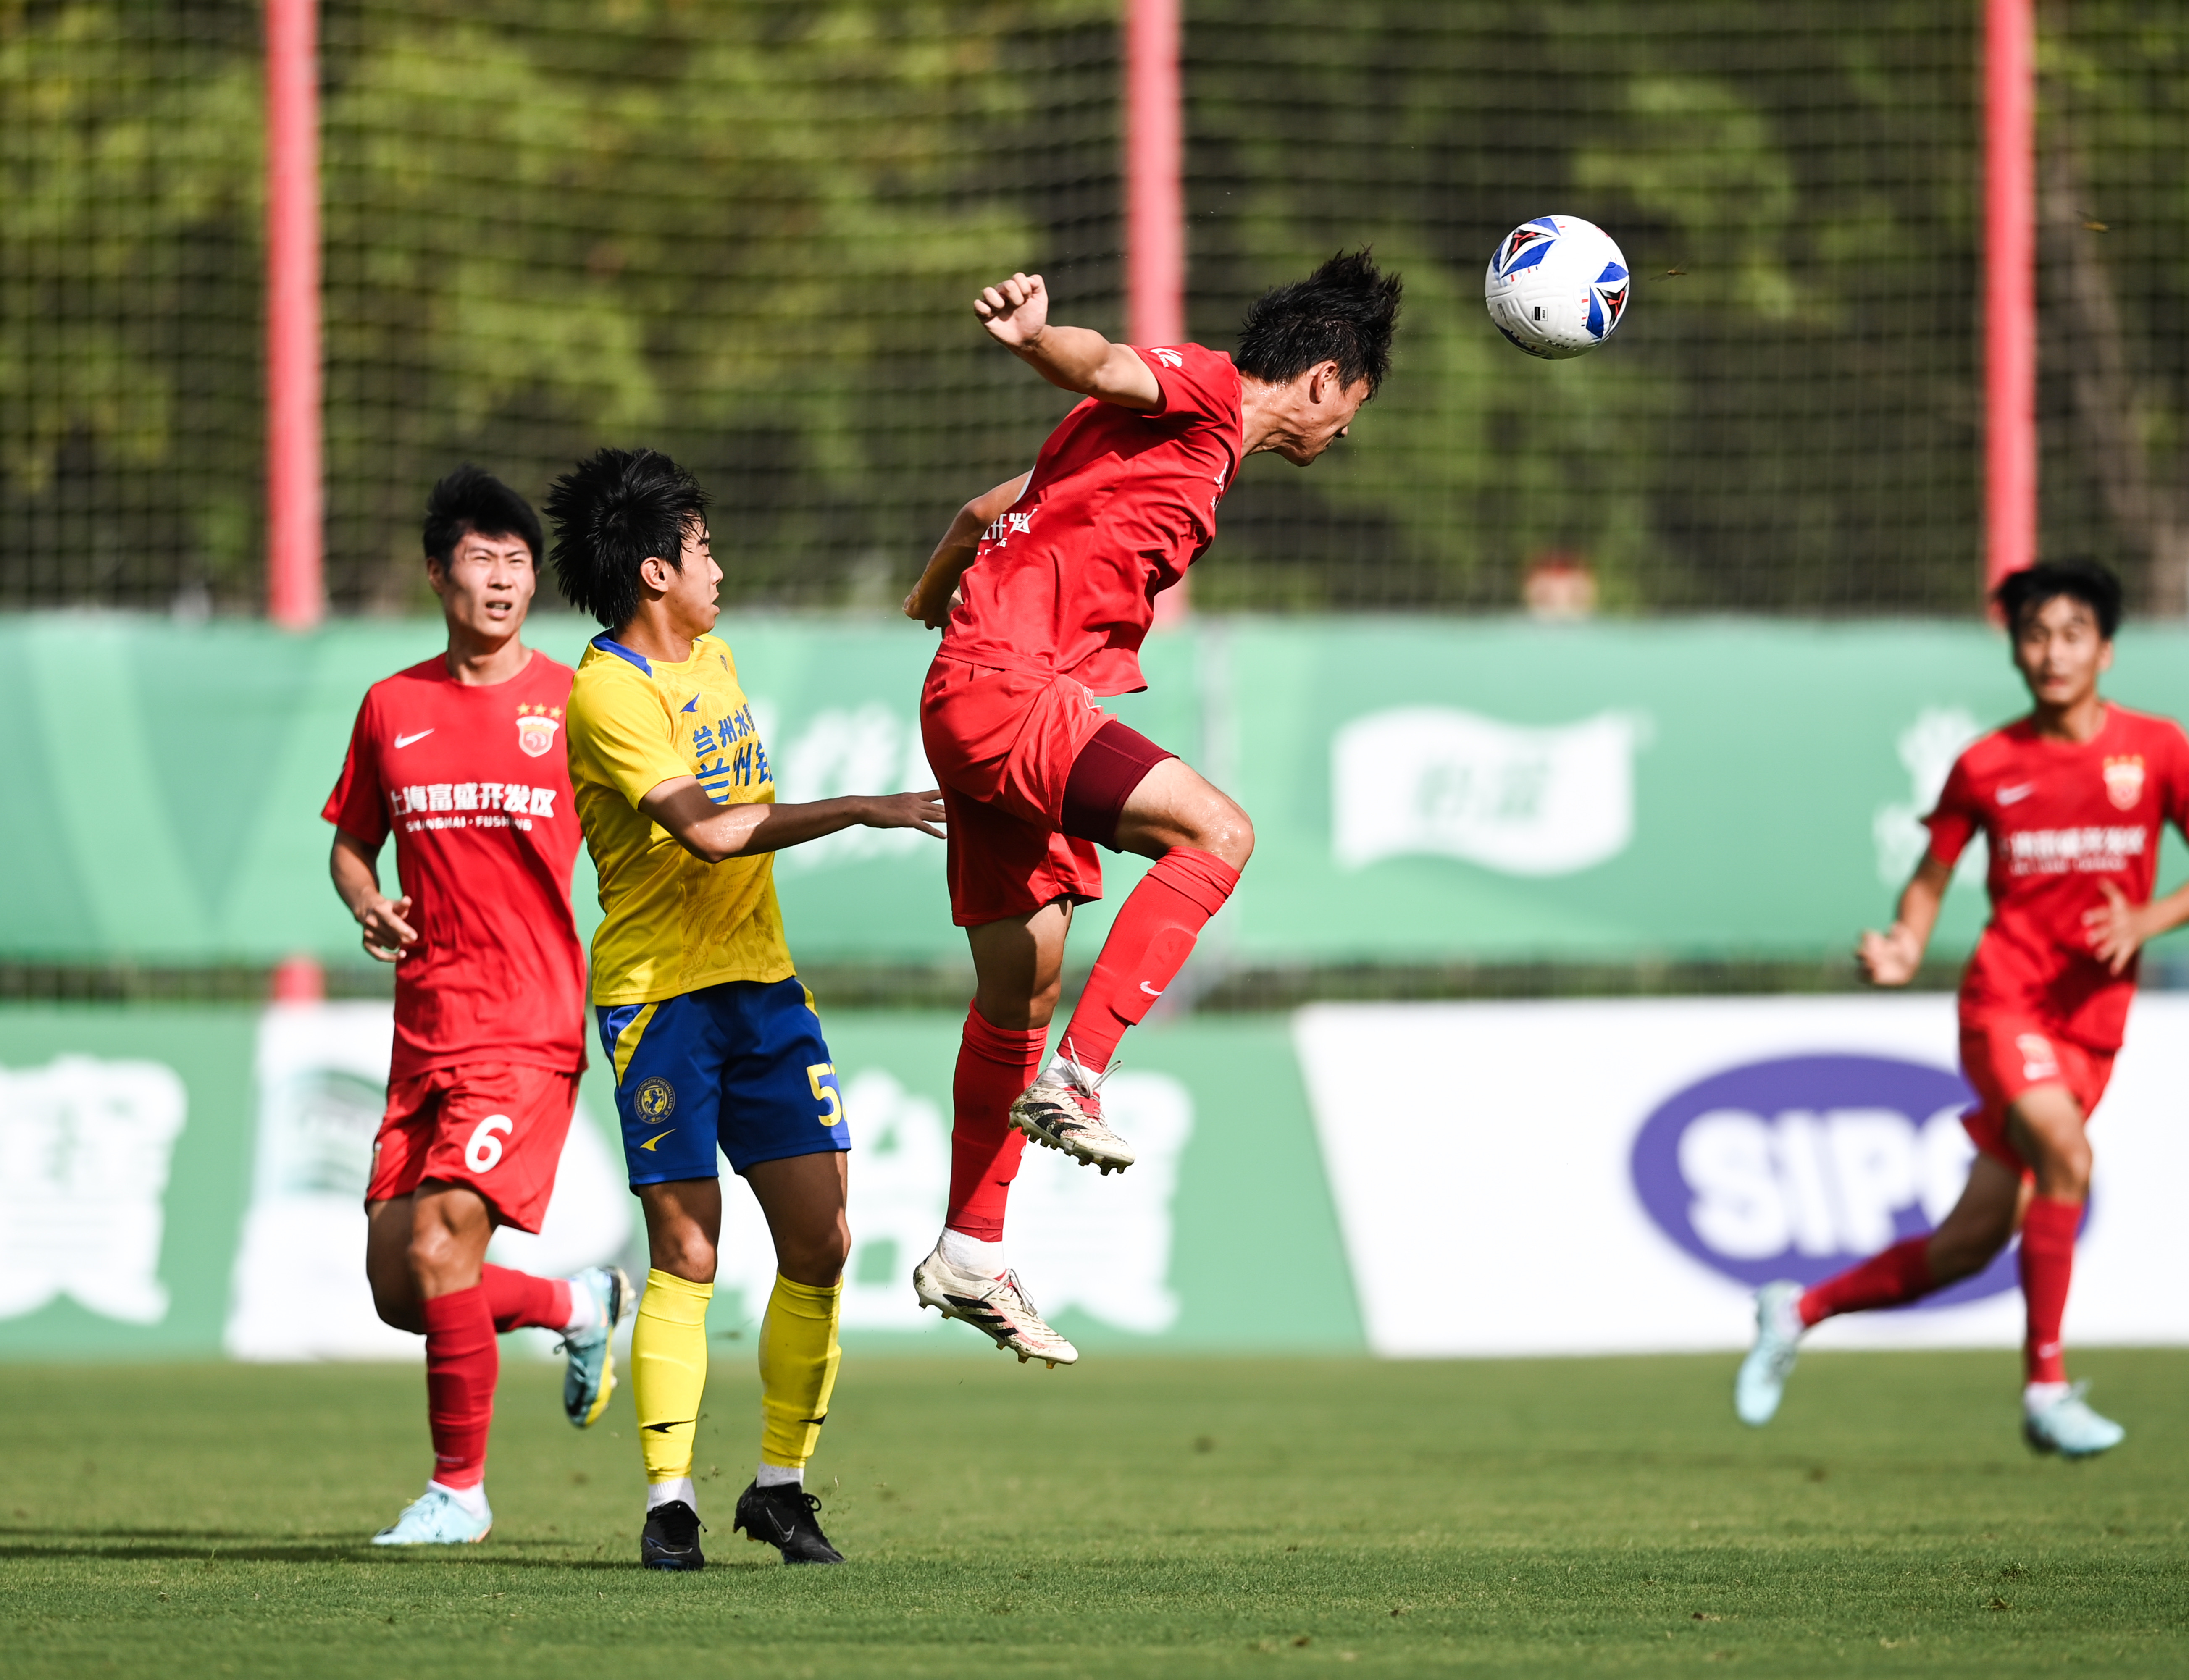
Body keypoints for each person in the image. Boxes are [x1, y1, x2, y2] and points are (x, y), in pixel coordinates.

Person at [899, 252, 1403, 1366]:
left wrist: (930, 597)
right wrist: (1038, 338)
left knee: (1013, 998)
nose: (1346, 433)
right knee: (1219, 834)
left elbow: (989, 508)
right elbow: (1110, 366)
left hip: (974, 693)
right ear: (1324, 381)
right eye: (1354, 407)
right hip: (1008, 693)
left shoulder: (1178, 452)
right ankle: (1082, 1077)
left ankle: (968, 1251)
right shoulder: (1208, 392)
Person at [1734, 560, 2189, 1457]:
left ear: (2107, 649)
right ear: (2015, 651)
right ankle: (2046, 1386)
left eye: (2072, 633)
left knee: (1966, 1247)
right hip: (2004, 1002)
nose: (2053, 652)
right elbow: (1932, 878)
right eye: (2035, 635)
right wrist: (1902, 941)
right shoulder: (1987, 764)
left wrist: (2148, 916)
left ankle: (1797, 1309)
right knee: (2069, 1152)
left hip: (2094, 1025)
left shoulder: (2157, 750)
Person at [546, 446, 944, 1572]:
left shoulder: (716, 658)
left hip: (762, 988)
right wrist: (865, 807)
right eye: (704, 545)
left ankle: (780, 1488)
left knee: (822, 1240)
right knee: (688, 1248)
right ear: (654, 569)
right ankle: (669, 1502)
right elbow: (713, 829)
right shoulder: (609, 691)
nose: (719, 563)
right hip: (658, 1001)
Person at [323, 465, 631, 1547]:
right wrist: (369, 903)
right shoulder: (391, 706)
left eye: (517, 563)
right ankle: (575, 1304)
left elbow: (652, 824)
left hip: (529, 1023)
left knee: (448, 1239)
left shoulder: (578, 700)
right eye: (482, 559)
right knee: (402, 1288)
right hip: (424, 1034)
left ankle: (459, 1491)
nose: (503, 581)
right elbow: (352, 844)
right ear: (438, 572)